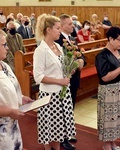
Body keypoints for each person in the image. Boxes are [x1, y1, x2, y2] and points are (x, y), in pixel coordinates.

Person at [33, 13, 76, 150]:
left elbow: (61, 67)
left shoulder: (58, 47)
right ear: (48, 30)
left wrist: (69, 71)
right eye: (57, 28)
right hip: (50, 95)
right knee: (49, 128)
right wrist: (59, 81)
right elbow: (38, 77)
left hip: (62, 93)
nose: (60, 31)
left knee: (59, 129)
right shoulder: (41, 50)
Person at [95, 26, 120, 150]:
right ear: (110, 39)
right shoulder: (102, 56)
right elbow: (105, 77)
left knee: (116, 117)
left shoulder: (119, 52)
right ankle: (106, 145)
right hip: (109, 92)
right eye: (119, 40)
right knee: (108, 118)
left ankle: (112, 143)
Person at [55, 13, 86, 150]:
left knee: (70, 107)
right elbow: (60, 61)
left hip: (73, 79)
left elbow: (80, 54)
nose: (72, 26)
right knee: (63, 109)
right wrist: (75, 63)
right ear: (61, 26)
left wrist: (82, 61)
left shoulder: (72, 38)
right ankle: (62, 138)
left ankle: (68, 132)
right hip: (64, 80)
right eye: (69, 24)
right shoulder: (58, 40)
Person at [0, 29, 32, 150]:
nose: (7, 48)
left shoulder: (4, 65)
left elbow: (12, 87)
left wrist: (21, 98)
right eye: (4, 45)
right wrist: (9, 112)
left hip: (12, 125)